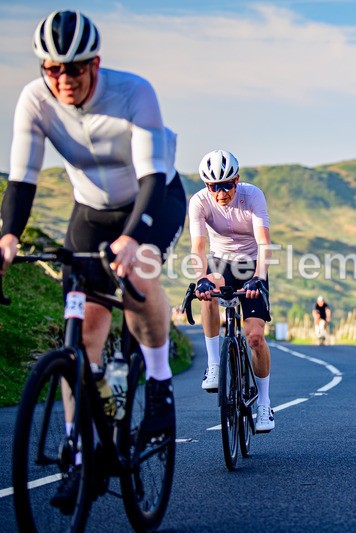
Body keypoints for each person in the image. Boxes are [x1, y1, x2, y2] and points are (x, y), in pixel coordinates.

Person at [0, 10, 186, 509]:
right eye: (52, 68)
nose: (64, 79)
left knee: (137, 273)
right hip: (91, 212)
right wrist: (8, 236)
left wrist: (132, 241)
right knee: (82, 331)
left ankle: (161, 385)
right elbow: (22, 179)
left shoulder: (133, 93)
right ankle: (80, 453)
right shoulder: (34, 101)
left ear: (96, 63)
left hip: (153, 200)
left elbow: (151, 178)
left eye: (75, 68)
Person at [188, 149, 275, 433]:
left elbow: (264, 243)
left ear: (237, 180)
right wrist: (200, 278)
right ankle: (214, 364)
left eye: (227, 185)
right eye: (214, 186)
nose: (221, 192)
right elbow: (198, 247)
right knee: (207, 290)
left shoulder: (253, 197)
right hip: (220, 262)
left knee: (254, 338)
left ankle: (264, 403)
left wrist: (259, 278)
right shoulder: (199, 202)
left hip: (251, 265)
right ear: (206, 185)